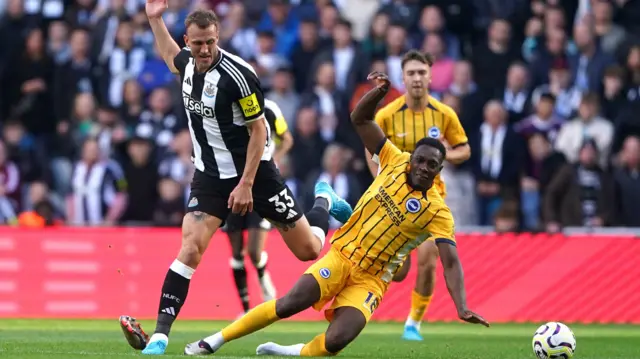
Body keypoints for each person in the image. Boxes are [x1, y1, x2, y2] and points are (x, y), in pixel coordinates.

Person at [183, 71, 488, 356]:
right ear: (412, 159)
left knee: (338, 339)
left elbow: (450, 261)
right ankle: (215, 339)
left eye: (431, 165)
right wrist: (377, 92)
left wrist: (461, 306)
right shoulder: (395, 159)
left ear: (439, 170)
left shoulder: (438, 211)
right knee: (291, 303)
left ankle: (293, 351)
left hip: (372, 279)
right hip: (343, 255)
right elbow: (360, 118)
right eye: (420, 160)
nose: (423, 167)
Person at [118, 3, 353, 355]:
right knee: (190, 249)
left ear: (218, 37)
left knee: (310, 250)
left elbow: (260, 132)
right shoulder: (187, 64)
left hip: (255, 174)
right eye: (197, 44)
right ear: (188, 41)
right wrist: (154, 19)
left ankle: (323, 200)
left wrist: (246, 183)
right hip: (210, 176)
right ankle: (160, 336)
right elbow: (170, 56)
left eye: (210, 42)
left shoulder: (238, 76)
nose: (204, 49)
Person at [365, 50, 471, 341]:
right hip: (394, 201)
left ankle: (413, 322)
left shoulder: (444, 114)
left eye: (421, 72)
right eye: (411, 73)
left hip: (430, 202)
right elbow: (370, 146)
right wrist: (379, 179)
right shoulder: (386, 115)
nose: (416, 78)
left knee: (428, 260)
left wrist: (444, 154)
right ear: (403, 77)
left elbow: (465, 148)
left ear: (430, 76)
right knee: (398, 273)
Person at [224, 99, 294, 315]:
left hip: (260, 184)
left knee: (254, 251)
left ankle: (265, 283)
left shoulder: (270, 108)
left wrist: (274, 160)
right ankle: (245, 309)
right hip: (231, 183)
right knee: (236, 252)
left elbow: (287, 139)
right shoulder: (224, 109)